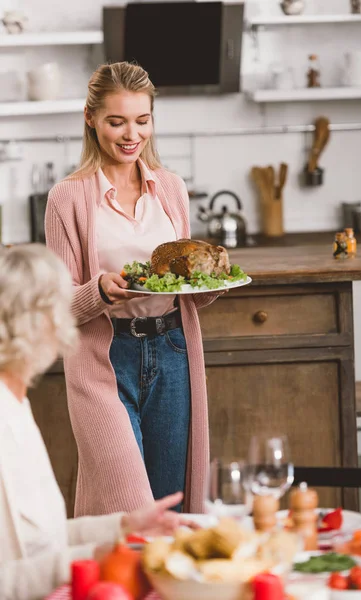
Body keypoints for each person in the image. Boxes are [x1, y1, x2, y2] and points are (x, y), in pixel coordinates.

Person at [45, 61, 220, 517]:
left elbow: (187, 291)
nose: (131, 135)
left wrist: (212, 280)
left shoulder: (171, 189)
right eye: (116, 121)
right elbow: (59, 306)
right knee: (129, 509)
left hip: (173, 352)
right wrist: (100, 290)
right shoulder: (68, 198)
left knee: (169, 506)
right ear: (90, 118)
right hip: (106, 360)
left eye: (142, 121)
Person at [0, 244, 190, 600]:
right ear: (38, 322)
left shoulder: (16, 405)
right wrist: (96, 557)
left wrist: (123, 527)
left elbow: (42, 540)